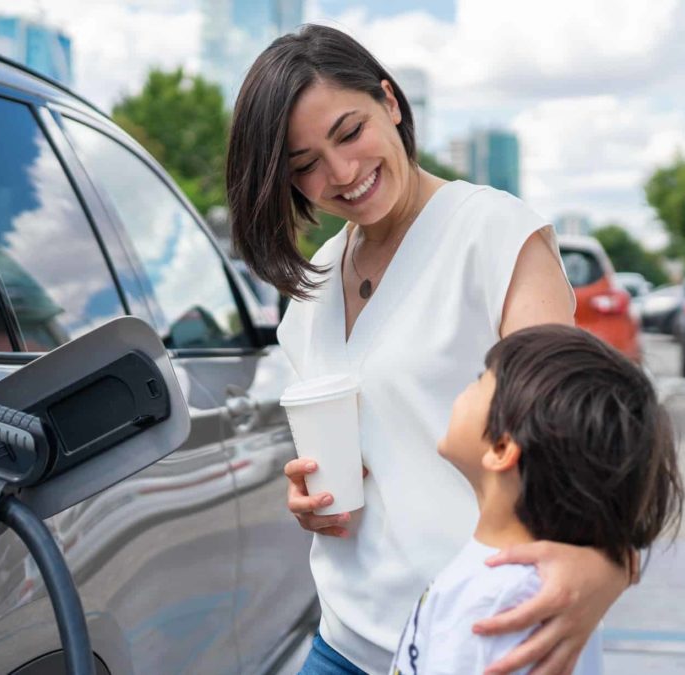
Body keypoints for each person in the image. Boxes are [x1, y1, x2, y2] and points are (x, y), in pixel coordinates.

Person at [226, 24, 639, 675]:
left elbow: (580, 432)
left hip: (483, 639)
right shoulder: (315, 284)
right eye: (304, 165)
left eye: (349, 132)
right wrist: (310, 496)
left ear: (390, 102)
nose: (341, 173)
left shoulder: (492, 234)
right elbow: (373, 449)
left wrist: (611, 560)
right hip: (345, 637)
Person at [389, 324, 685, 674]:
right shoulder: (538, 589)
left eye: (481, 379)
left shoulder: (498, 604)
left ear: (502, 448)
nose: (467, 387)